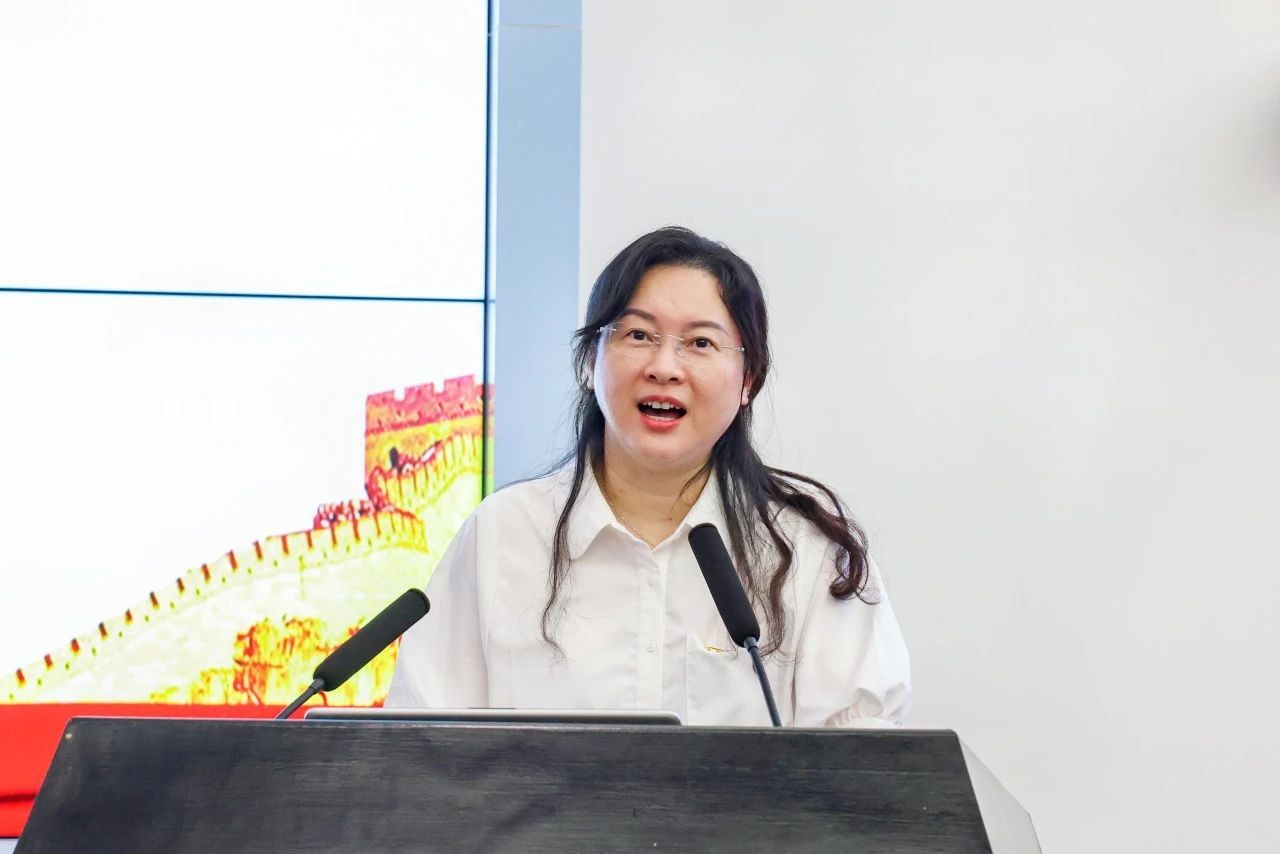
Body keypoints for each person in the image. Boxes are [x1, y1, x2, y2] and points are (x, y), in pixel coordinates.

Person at [385, 226, 910, 726]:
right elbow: (422, 742)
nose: (664, 367)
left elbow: (861, 757)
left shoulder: (807, 550)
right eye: (638, 334)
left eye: (700, 343)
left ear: (748, 379)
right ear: (589, 361)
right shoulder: (504, 535)